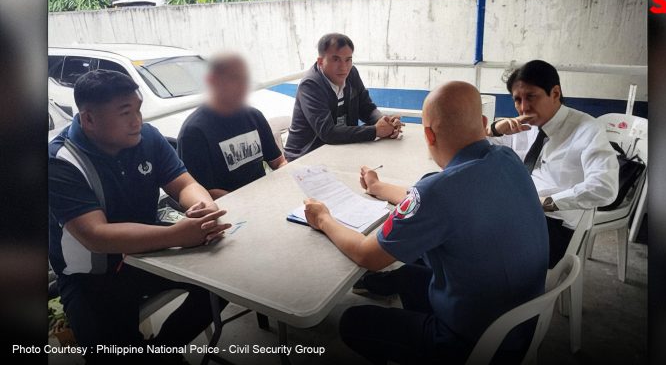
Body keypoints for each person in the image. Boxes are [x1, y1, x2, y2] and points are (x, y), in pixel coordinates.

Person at [303, 81, 549, 363]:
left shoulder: (437, 191)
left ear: (428, 135)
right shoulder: (507, 158)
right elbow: (435, 200)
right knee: (407, 274)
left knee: (353, 321)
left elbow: (366, 255)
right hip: (519, 323)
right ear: (483, 123)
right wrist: (378, 187)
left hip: (475, 346)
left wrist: (323, 218)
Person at [49, 70, 229, 364]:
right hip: (92, 277)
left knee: (225, 282)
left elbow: (185, 184)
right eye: (125, 113)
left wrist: (201, 206)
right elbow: (96, 236)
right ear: (88, 119)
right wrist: (178, 235)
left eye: (138, 110)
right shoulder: (60, 162)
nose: (137, 120)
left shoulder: (147, 138)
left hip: (148, 252)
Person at [487, 60, 619, 267]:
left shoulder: (587, 129)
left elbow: (605, 187)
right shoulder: (525, 125)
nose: (523, 108)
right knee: (465, 229)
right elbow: (478, 147)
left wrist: (545, 202)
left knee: (482, 250)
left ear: (555, 93)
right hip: (520, 210)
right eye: (517, 100)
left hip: (556, 225)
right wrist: (494, 129)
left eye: (531, 97)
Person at [177, 53, 287, 199]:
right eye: (233, 79)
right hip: (226, 208)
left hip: (264, 197)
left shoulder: (254, 116)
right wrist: (246, 202)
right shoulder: (194, 133)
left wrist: (287, 174)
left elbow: (277, 160)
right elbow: (202, 191)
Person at [284, 33, 402, 161]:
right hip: (306, 155)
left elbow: (367, 108)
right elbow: (328, 133)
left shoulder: (351, 73)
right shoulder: (311, 85)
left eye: (348, 59)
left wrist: (384, 122)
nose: (344, 67)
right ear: (320, 61)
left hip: (339, 149)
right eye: (336, 59)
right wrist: (375, 131)